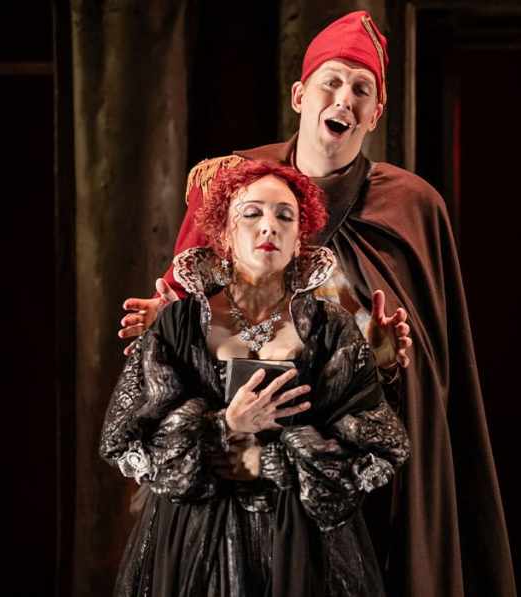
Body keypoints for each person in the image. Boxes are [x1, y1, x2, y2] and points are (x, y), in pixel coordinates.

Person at [117, 11, 516, 597]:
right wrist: (173, 327)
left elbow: (416, 373)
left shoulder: (410, 208)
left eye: (362, 89)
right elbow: (183, 348)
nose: (344, 98)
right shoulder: (234, 187)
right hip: (239, 487)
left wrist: (387, 358)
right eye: (331, 81)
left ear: (376, 113)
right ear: (301, 95)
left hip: (338, 483)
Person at [100, 160, 410, 596]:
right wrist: (225, 425)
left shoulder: (330, 328)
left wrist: (277, 459)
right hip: (197, 541)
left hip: (299, 543)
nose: (269, 226)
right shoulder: (180, 324)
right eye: (252, 213)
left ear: (299, 239)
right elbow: (128, 439)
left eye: (285, 216)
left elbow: (378, 442)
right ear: (225, 234)